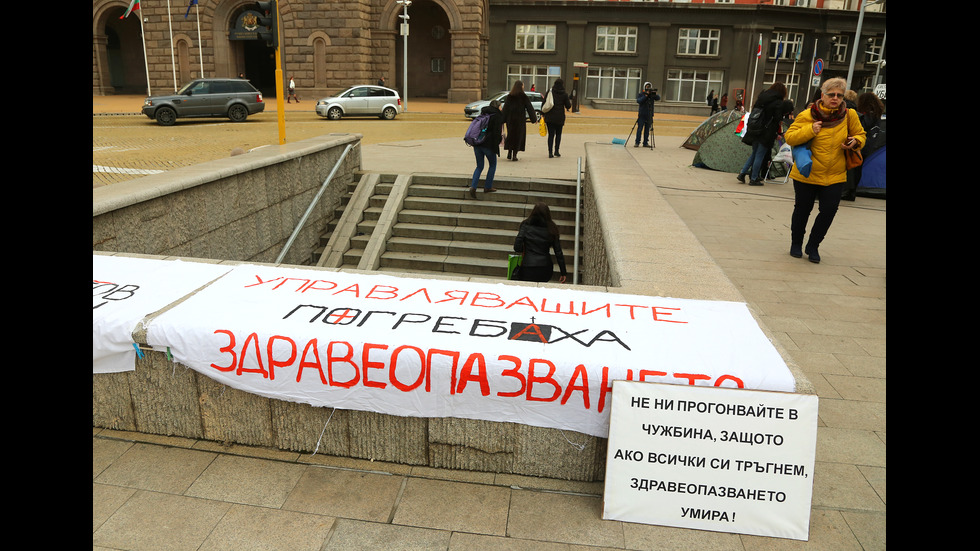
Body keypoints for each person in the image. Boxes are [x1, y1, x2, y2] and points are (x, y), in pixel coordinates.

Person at [784, 77, 866, 264]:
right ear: (823, 95)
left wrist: (855, 142)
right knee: (802, 210)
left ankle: (813, 246)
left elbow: (861, 135)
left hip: (835, 175)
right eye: (831, 95)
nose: (835, 98)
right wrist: (810, 130)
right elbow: (789, 137)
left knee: (828, 211)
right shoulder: (807, 115)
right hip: (808, 173)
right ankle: (796, 243)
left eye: (839, 95)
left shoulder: (849, 115)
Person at [737, 82, 789, 186]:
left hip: (755, 129)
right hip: (766, 132)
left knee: (755, 153)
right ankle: (754, 178)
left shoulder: (762, 97)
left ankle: (742, 173)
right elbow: (777, 118)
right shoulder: (778, 102)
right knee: (760, 155)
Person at [841, 91, 885, 201]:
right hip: (869, 144)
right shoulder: (876, 113)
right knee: (858, 167)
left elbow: (862, 128)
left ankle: (848, 191)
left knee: (853, 168)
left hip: (860, 143)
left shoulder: (865, 115)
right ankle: (852, 191)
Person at [513, 202, 568, 283]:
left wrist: (526, 248)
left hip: (528, 266)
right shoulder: (552, 228)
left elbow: (517, 247)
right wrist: (563, 272)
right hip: (545, 267)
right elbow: (558, 252)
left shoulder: (525, 225)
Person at [469, 100, 505, 199]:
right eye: (501, 107)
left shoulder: (484, 113)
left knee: (479, 166)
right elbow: (497, 133)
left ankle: (473, 187)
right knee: (492, 165)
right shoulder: (497, 116)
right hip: (489, 145)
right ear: (497, 107)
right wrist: (497, 143)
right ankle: (488, 186)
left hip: (478, 143)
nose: (501, 108)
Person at [501, 80, 537, 162]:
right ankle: (514, 155)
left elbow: (505, 108)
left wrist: (502, 119)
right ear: (521, 87)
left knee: (511, 135)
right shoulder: (523, 96)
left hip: (510, 120)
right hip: (519, 120)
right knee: (518, 137)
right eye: (523, 85)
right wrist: (533, 119)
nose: (523, 87)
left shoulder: (510, 96)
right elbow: (529, 108)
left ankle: (509, 152)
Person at [542, 79, 571, 158]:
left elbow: (544, 103)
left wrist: (543, 114)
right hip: (559, 117)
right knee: (558, 135)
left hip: (550, 117)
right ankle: (556, 151)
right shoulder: (564, 94)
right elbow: (568, 106)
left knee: (551, 135)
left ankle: (550, 152)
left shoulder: (550, 92)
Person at [635, 82, 660, 148]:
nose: (648, 88)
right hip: (642, 114)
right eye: (647, 87)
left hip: (649, 115)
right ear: (644, 87)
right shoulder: (641, 94)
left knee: (647, 130)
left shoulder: (652, 96)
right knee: (639, 129)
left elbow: (658, 98)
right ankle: (637, 142)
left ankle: (645, 142)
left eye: (649, 87)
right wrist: (646, 95)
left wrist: (654, 93)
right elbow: (639, 101)